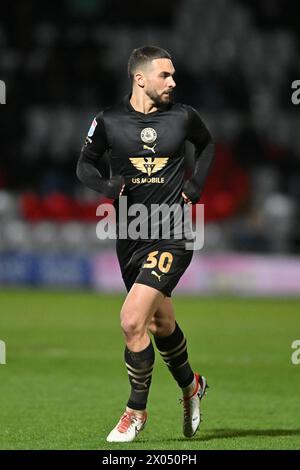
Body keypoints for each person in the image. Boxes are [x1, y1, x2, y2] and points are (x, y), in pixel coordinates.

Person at [77, 46, 215, 443]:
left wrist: (195, 184)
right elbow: (83, 164)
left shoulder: (184, 116)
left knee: (132, 320)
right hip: (130, 237)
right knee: (160, 322)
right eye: (165, 76)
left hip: (172, 234)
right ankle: (191, 386)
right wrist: (106, 186)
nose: (173, 82)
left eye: (173, 76)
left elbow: (207, 146)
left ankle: (135, 411)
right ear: (140, 78)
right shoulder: (108, 121)